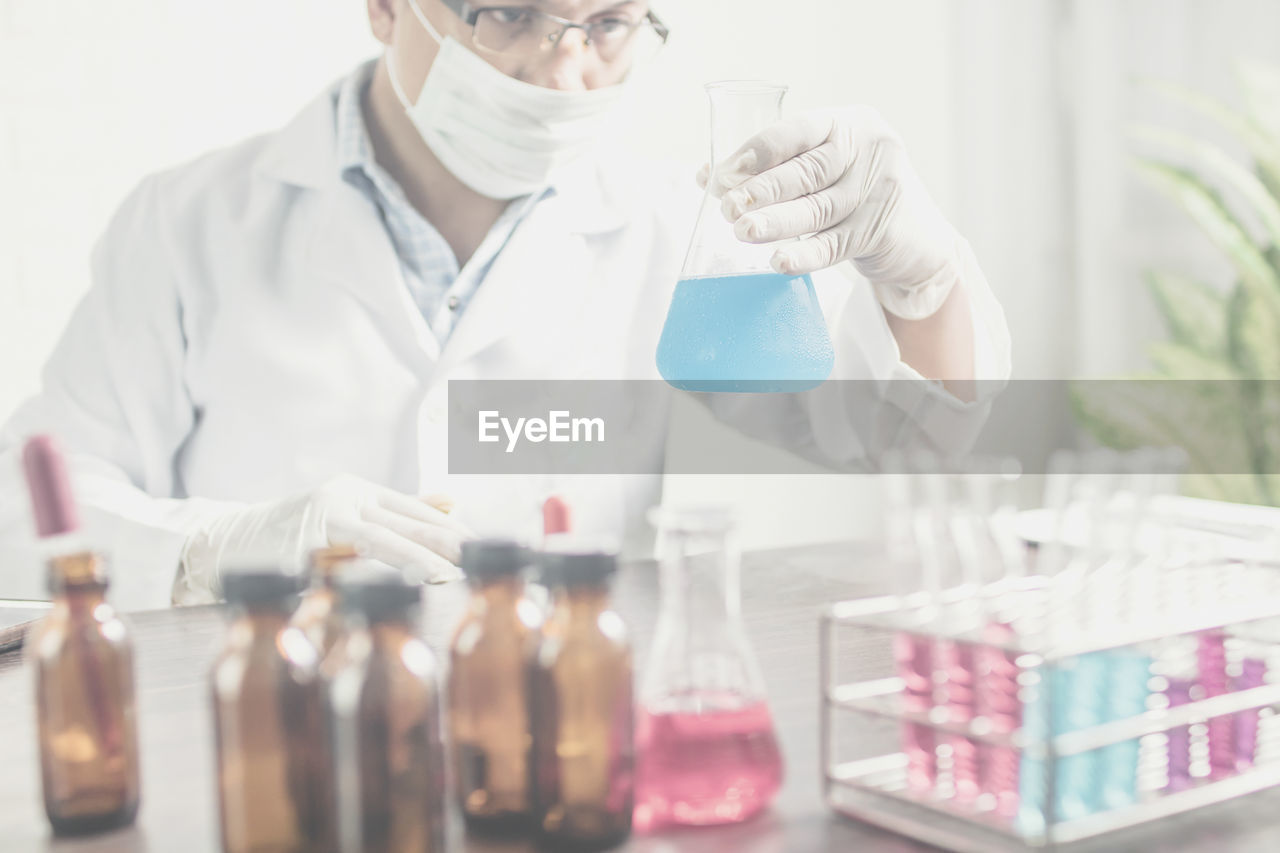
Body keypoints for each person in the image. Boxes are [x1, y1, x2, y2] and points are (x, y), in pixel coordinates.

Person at [0, 0, 1010, 609]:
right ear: (387, 6)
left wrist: (918, 271)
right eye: (507, 12)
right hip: (266, 740)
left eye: (607, 24)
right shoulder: (188, 225)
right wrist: (210, 549)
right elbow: (21, 512)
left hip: (548, 744)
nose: (560, 70)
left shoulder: (672, 233)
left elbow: (906, 436)